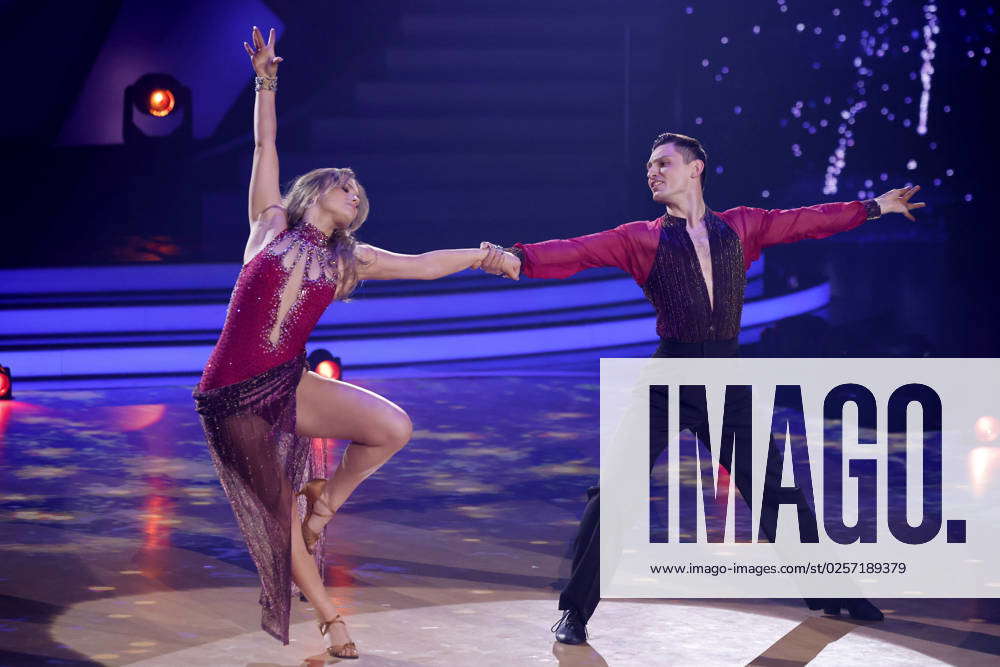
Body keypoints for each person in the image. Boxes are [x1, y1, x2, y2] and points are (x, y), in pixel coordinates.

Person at [480, 131, 925, 644]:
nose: (652, 171)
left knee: (775, 491)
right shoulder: (640, 237)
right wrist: (519, 257)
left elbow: (804, 222)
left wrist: (872, 207)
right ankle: (574, 611)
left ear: (696, 169)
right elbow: (579, 251)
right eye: (648, 165)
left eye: (663, 162)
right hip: (670, 378)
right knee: (614, 495)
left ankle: (829, 592)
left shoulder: (742, 226)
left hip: (726, 380)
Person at [193, 26, 517, 659]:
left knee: (393, 426)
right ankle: (330, 619)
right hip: (231, 396)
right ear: (318, 190)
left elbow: (424, 264)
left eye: (360, 195)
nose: (355, 195)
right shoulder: (269, 225)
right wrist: (266, 80)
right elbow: (266, 143)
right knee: (275, 518)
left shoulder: (351, 260)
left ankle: (327, 503)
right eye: (347, 186)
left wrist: (482, 256)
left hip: (288, 381)